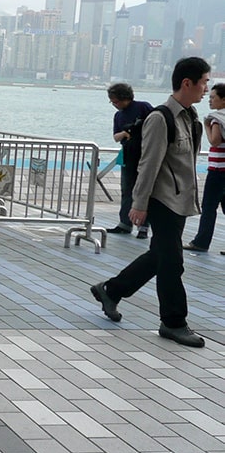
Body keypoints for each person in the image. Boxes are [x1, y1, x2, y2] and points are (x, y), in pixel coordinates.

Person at [90, 56, 209, 348]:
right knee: (172, 263)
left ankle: (111, 289)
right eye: (204, 82)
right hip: (162, 201)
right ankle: (173, 322)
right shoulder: (161, 118)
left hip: (179, 200)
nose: (207, 88)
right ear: (187, 83)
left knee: (159, 256)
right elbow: (149, 164)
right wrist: (139, 204)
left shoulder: (191, 118)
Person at [106, 82, 152, 239]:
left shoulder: (143, 107)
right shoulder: (118, 116)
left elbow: (155, 126)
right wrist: (125, 133)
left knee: (144, 191)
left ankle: (144, 226)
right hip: (127, 155)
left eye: (116, 101)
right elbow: (115, 136)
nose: (114, 105)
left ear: (125, 97)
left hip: (144, 155)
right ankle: (124, 223)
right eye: (112, 102)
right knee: (127, 190)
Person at [184, 82, 225, 252]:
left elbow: (215, 141)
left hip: (218, 170)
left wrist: (207, 127)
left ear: (223, 100)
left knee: (209, 206)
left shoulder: (217, 118)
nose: (210, 101)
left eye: (213, 97)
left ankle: (201, 242)